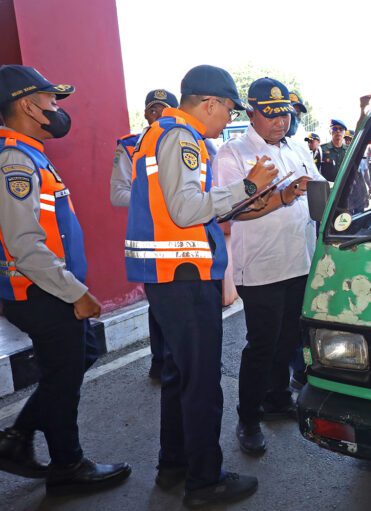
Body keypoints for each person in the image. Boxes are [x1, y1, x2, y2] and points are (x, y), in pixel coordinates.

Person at [125, 64, 277, 508]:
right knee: (202, 383)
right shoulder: (182, 137)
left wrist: (247, 198)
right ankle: (204, 481)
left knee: (178, 376)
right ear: (209, 103)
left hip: (171, 276)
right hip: (185, 276)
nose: (228, 119)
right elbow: (186, 209)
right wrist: (248, 184)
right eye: (228, 109)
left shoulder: (163, 133)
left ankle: (174, 464)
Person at [0, 64, 131, 494]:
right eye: (51, 100)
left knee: (75, 359)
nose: (57, 108)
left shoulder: (29, 152)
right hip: (40, 289)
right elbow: (25, 245)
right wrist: (78, 293)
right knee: (65, 375)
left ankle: (17, 439)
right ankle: (67, 467)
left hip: (48, 286)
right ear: (27, 105)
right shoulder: (15, 161)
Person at [215, 77, 322, 456]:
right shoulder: (233, 154)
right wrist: (286, 194)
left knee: (289, 338)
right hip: (261, 267)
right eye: (271, 114)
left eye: (285, 114)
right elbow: (232, 213)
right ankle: (248, 418)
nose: (280, 122)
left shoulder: (296, 149)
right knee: (261, 344)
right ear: (252, 113)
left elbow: (317, 191)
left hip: (299, 260)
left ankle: (278, 398)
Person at [111, 88, 178, 381]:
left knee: (184, 304)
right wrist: (158, 199)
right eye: (152, 109)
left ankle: (178, 360)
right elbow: (117, 194)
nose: (157, 115)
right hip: (151, 236)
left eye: (163, 109)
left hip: (187, 237)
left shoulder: (191, 142)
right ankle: (159, 361)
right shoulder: (129, 146)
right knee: (159, 302)